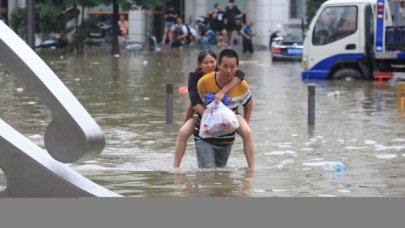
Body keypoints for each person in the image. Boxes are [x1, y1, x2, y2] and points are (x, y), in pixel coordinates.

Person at [173, 50, 255, 169]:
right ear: (199, 65)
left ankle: (251, 169)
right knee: (182, 132)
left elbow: (241, 76)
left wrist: (223, 91)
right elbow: (194, 103)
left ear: (216, 63)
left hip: (231, 114)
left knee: (247, 132)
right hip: (203, 113)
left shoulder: (235, 79)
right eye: (206, 63)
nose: (209, 65)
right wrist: (210, 117)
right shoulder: (197, 80)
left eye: (212, 62)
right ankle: (176, 168)